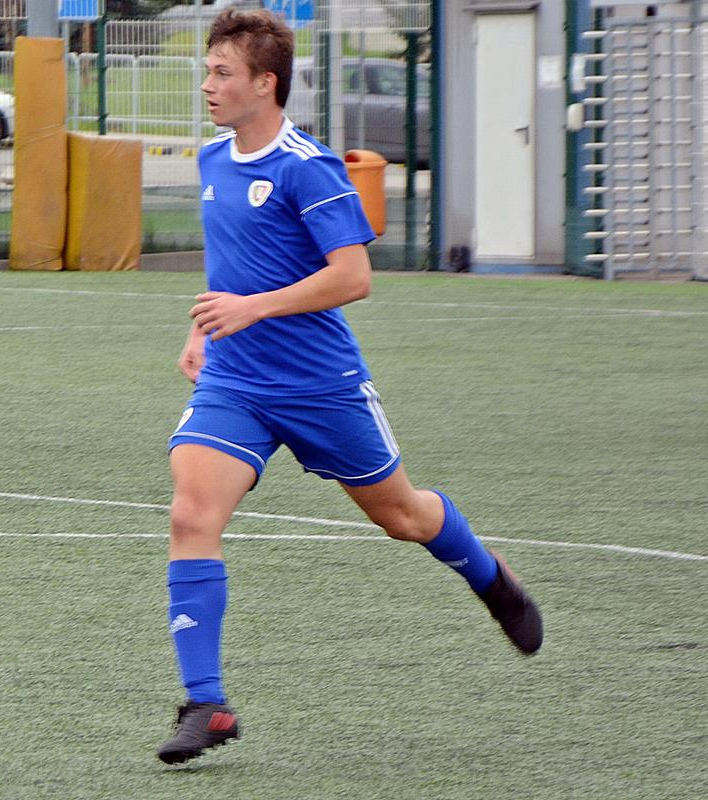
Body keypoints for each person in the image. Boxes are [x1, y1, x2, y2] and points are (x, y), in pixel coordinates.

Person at [157, 8, 543, 766]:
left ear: (265, 84)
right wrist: (205, 328)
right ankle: (207, 703)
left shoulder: (308, 166)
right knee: (190, 514)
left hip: (320, 385)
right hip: (237, 381)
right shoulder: (211, 160)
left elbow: (353, 276)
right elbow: (233, 264)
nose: (207, 86)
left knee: (403, 517)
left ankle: (491, 578)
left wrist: (252, 308)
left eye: (222, 73)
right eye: (207, 72)